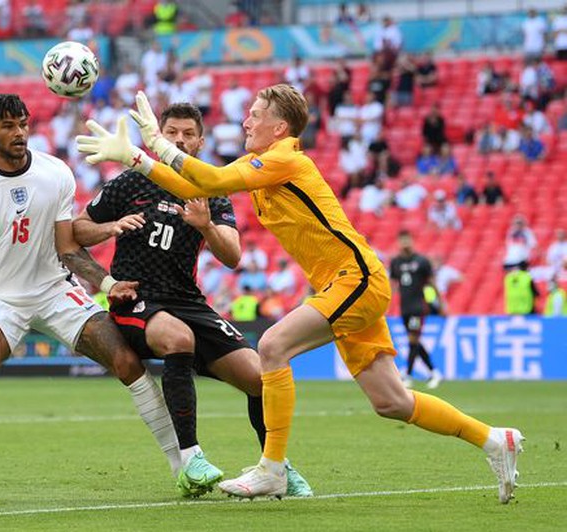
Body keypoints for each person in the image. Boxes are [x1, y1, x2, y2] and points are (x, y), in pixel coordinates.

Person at [76, 85, 523, 503]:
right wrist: (136, 158)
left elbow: (208, 182)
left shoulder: (285, 158)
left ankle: (273, 468)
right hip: (344, 285)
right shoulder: (263, 164)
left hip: (354, 278)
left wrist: (153, 145)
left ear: (279, 128)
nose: (245, 122)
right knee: (392, 401)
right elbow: (195, 188)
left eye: (255, 116)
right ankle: (493, 439)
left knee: (272, 346)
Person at [0, 94, 181, 506]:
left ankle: (182, 468)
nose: (19, 132)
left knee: (127, 362)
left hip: (56, 289)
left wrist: (106, 281)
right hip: (1, 296)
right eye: (8, 125)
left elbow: (68, 248)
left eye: (23, 123)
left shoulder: (55, 172)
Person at [72, 103, 311, 498]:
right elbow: (78, 228)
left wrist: (206, 227)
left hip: (188, 301)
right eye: (171, 133)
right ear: (159, 137)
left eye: (188, 134)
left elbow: (232, 255)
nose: (179, 140)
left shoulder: (211, 188)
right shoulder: (131, 181)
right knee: (178, 338)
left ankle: (276, 466)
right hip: (136, 297)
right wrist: (111, 227)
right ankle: (191, 460)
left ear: (200, 142)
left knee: (260, 379)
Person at [390, 231, 443, 389]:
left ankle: (408, 375)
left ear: (412, 241)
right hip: (404, 308)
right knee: (415, 341)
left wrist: (441, 303)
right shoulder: (395, 262)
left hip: (418, 307)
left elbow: (432, 283)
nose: (405, 243)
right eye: (402, 240)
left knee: (413, 340)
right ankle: (434, 372)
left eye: (407, 239)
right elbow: (393, 285)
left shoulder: (422, 261)